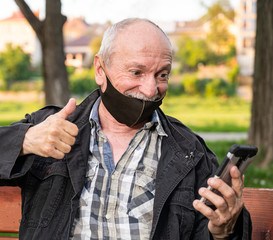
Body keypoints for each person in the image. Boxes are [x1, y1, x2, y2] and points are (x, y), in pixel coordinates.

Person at [0, 18, 251, 240]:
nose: (151, 89)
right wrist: (23, 141)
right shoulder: (49, 128)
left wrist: (222, 231)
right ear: (100, 70)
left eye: (162, 75)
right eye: (136, 72)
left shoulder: (189, 152)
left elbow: (208, 229)